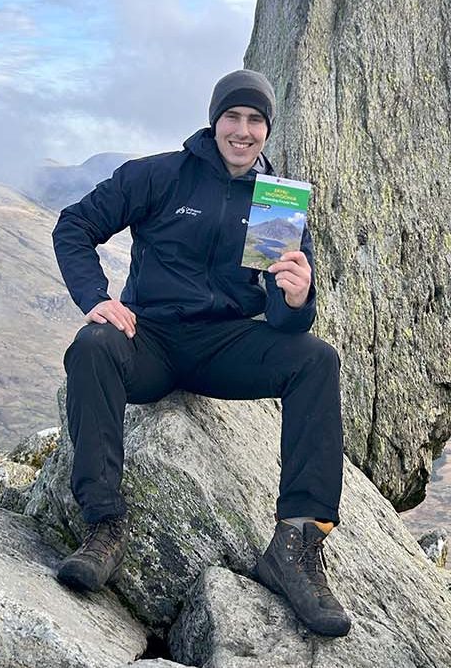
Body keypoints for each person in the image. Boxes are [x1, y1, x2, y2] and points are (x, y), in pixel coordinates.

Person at [51, 69, 350, 637]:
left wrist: (297, 297)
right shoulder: (163, 176)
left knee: (316, 359)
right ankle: (104, 527)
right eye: (232, 117)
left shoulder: (276, 204)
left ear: (267, 130)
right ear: (214, 121)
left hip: (224, 345)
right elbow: (75, 226)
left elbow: (285, 323)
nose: (242, 130)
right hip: (153, 339)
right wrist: (96, 299)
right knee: (93, 346)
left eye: (255, 120)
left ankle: (296, 544)